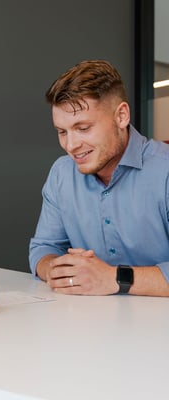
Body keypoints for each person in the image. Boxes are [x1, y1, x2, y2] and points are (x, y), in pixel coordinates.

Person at [29, 59, 169, 297]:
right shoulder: (62, 173)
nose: (71, 146)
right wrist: (55, 268)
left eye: (83, 128)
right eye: (62, 132)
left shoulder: (164, 170)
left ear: (121, 116)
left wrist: (114, 278)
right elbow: (44, 248)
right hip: (91, 325)